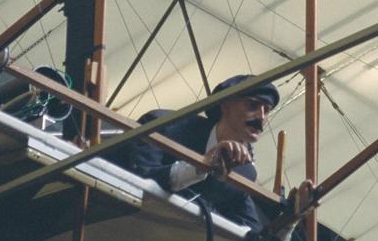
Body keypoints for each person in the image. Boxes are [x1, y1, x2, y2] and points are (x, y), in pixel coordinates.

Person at [107, 74, 285, 231]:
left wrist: (288, 222)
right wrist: (200, 166)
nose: (262, 117)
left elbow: (251, 231)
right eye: (252, 105)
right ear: (225, 105)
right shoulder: (163, 125)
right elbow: (140, 178)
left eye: (267, 110)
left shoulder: (244, 172)